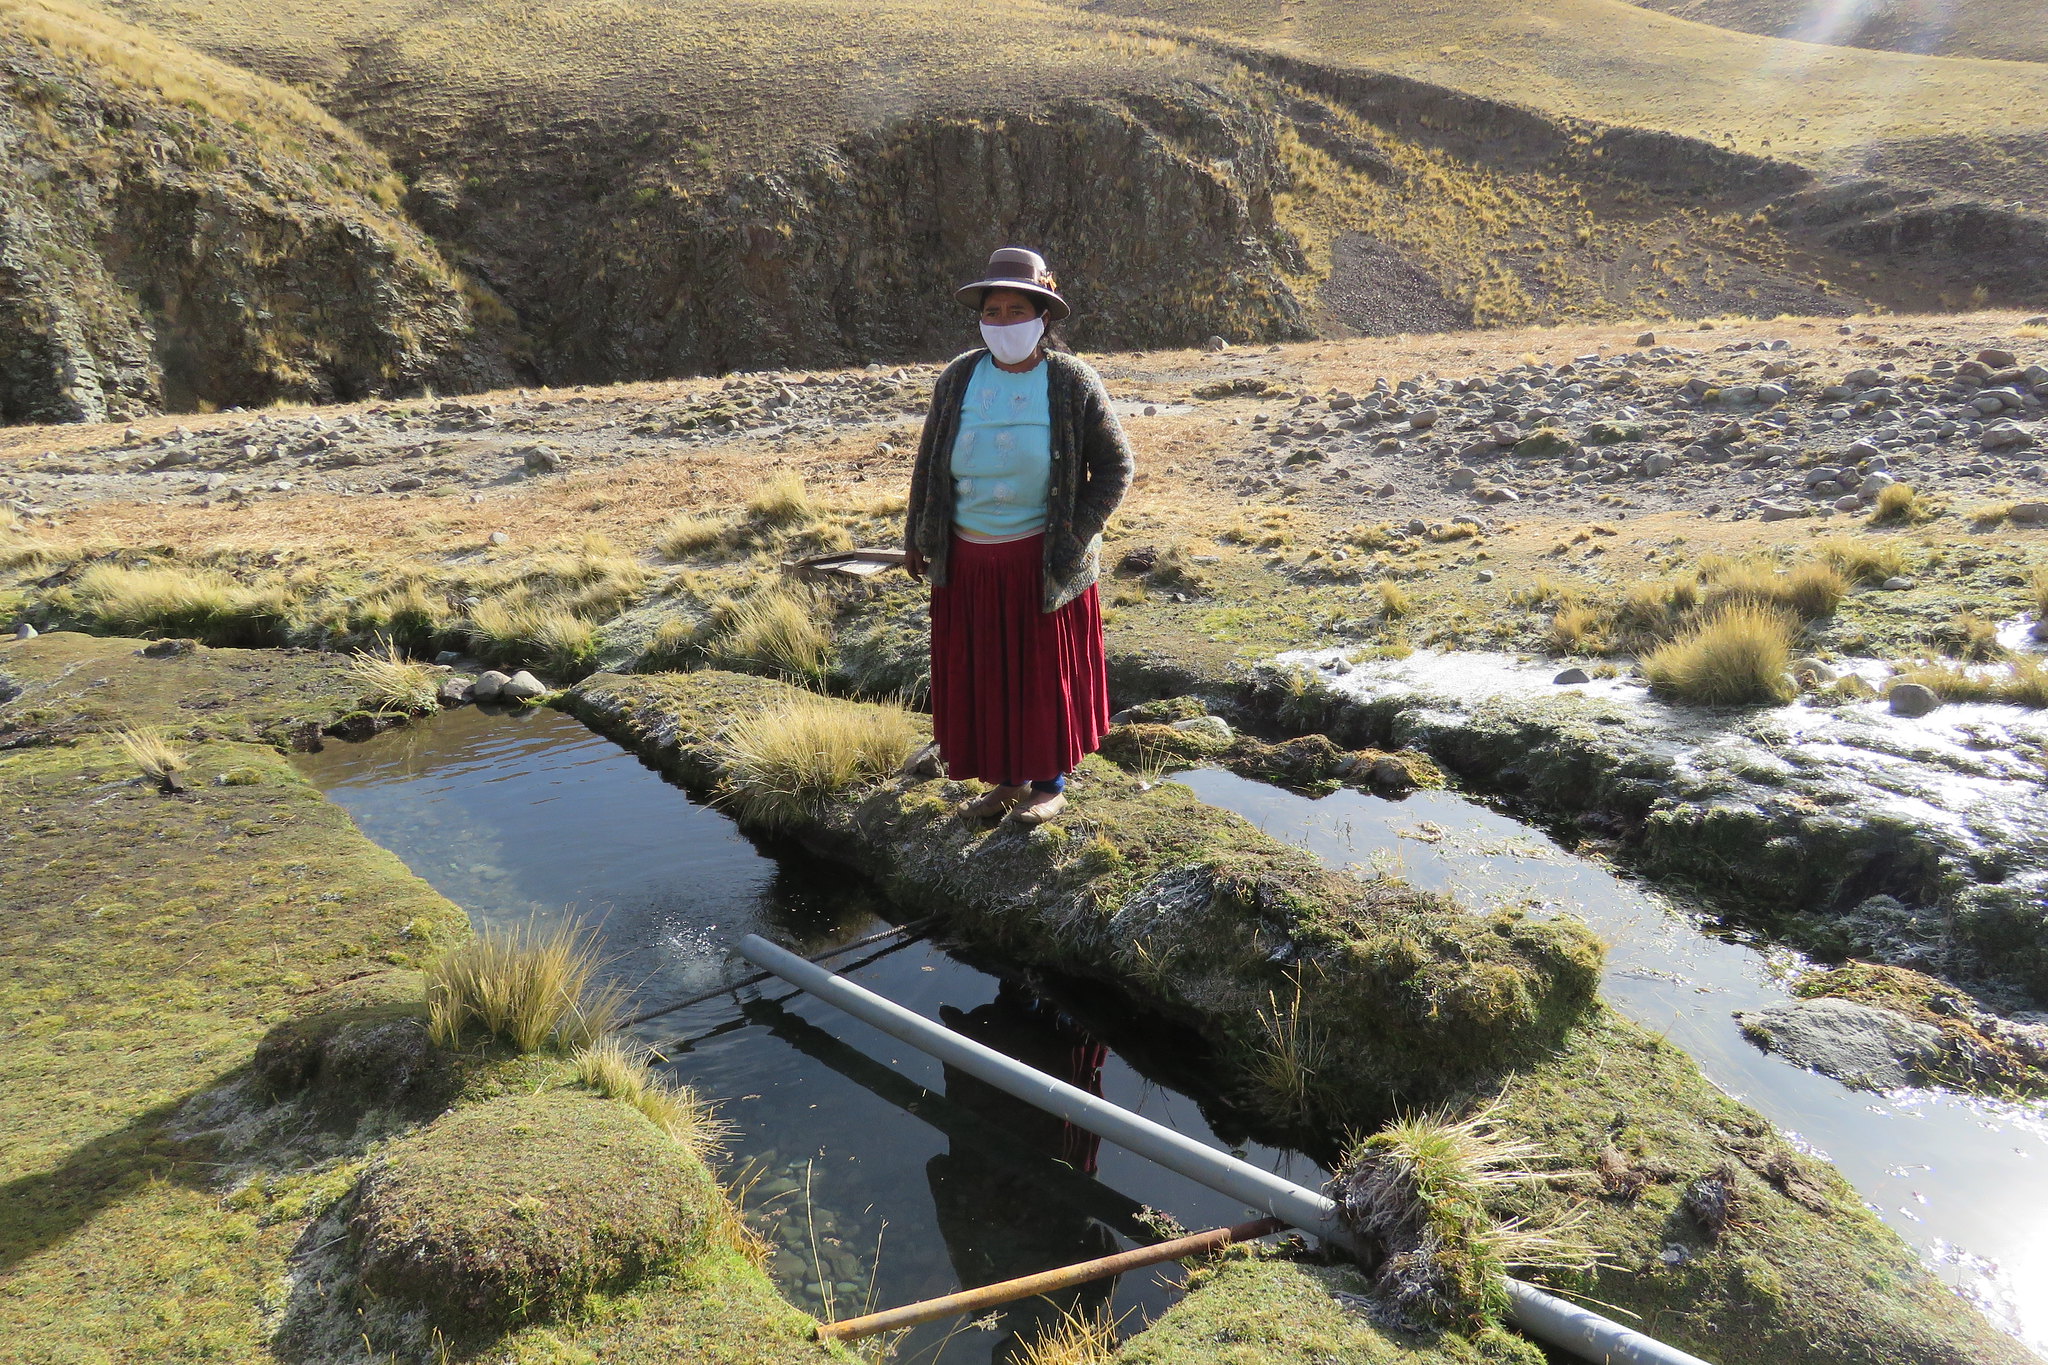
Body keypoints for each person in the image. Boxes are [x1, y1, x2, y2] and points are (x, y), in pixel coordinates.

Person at [903, 247, 1134, 825]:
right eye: (993, 311)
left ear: (1043, 317)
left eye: (1015, 310)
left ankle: (1049, 783)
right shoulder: (958, 377)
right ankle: (1006, 781)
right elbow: (930, 462)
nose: (1003, 322)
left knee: (1039, 673)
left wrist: (1074, 539)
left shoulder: (1072, 381)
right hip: (969, 559)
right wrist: (918, 533)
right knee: (984, 672)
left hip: (1041, 561)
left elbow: (1114, 467)